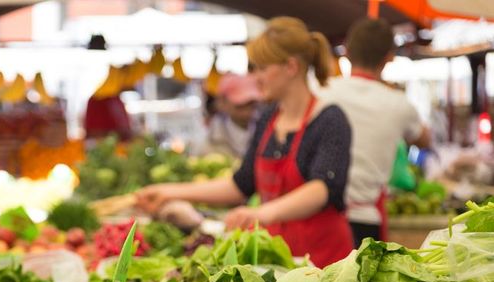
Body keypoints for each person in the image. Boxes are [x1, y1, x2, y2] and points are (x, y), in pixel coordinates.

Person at [136, 17, 353, 268]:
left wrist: (259, 213)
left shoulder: (330, 119)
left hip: (324, 262)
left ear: (290, 67)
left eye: (262, 68)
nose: (256, 77)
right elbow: (241, 184)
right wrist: (168, 191)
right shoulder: (268, 120)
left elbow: (322, 189)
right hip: (277, 260)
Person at [318, 17, 430, 247]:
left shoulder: (321, 91)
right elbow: (424, 139)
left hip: (319, 216)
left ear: (346, 52)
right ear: (389, 58)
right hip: (365, 221)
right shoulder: (399, 104)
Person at [191, 74, 262, 158]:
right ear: (222, 102)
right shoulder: (209, 140)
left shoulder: (268, 131)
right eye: (240, 104)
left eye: (251, 102)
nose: (247, 108)